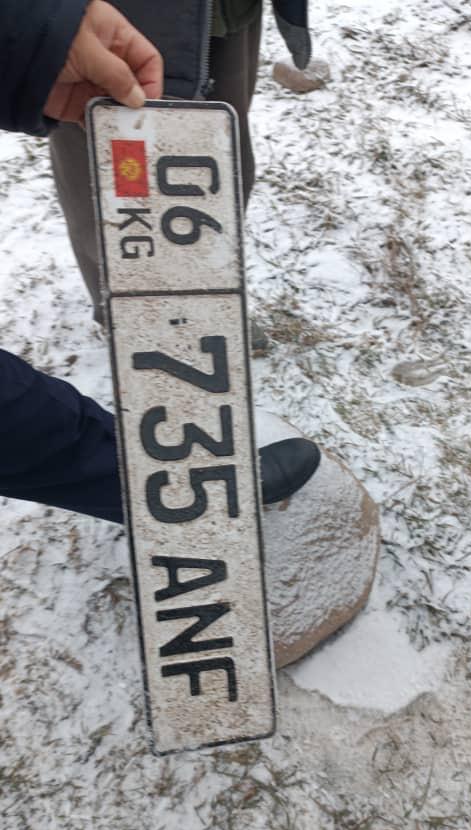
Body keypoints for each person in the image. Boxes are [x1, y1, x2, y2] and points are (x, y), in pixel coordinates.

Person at [0, 0, 319, 525]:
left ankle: (200, 305)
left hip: (218, 13)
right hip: (122, 15)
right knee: (119, 186)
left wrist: (34, 37)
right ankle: (141, 331)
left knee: (214, 159)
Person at [49, 1, 311, 339]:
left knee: (223, 165)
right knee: (110, 185)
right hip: (106, 17)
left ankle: (206, 300)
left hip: (225, 14)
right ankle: (129, 311)